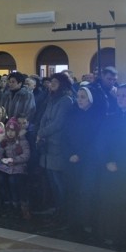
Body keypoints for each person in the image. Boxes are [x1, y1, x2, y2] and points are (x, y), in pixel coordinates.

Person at [97, 84, 126, 250]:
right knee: (111, 203)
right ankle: (113, 235)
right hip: (110, 168)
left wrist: (121, 164)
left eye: (124, 96)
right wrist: (107, 161)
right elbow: (102, 142)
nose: (120, 99)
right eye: (118, 95)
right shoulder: (112, 117)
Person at [36, 73, 74, 220]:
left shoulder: (66, 100)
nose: (51, 84)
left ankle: (64, 211)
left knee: (59, 182)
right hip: (47, 145)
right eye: (51, 81)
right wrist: (40, 132)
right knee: (51, 180)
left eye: (55, 82)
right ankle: (56, 208)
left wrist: (41, 133)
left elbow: (58, 123)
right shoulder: (51, 99)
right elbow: (44, 118)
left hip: (57, 144)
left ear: (62, 84)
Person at [66, 86, 100, 234]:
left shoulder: (96, 116)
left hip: (89, 161)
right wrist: (70, 153)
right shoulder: (74, 114)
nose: (79, 100)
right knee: (74, 190)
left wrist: (80, 155)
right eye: (78, 96)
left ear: (90, 99)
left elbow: (95, 140)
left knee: (87, 192)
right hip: (73, 159)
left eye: (83, 97)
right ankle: (75, 222)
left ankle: (87, 222)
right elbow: (67, 136)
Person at [0, 118, 31, 219]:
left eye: (13, 131)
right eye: (8, 131)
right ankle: (7, 202)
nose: (10, 133)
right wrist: (2, 159)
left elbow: (26, 155)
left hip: (19, 166)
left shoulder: (22, 141)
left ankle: (17, 204)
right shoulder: (4, 141)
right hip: (6, 166)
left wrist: (14, 160)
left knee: (13, 180)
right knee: (0, 179)